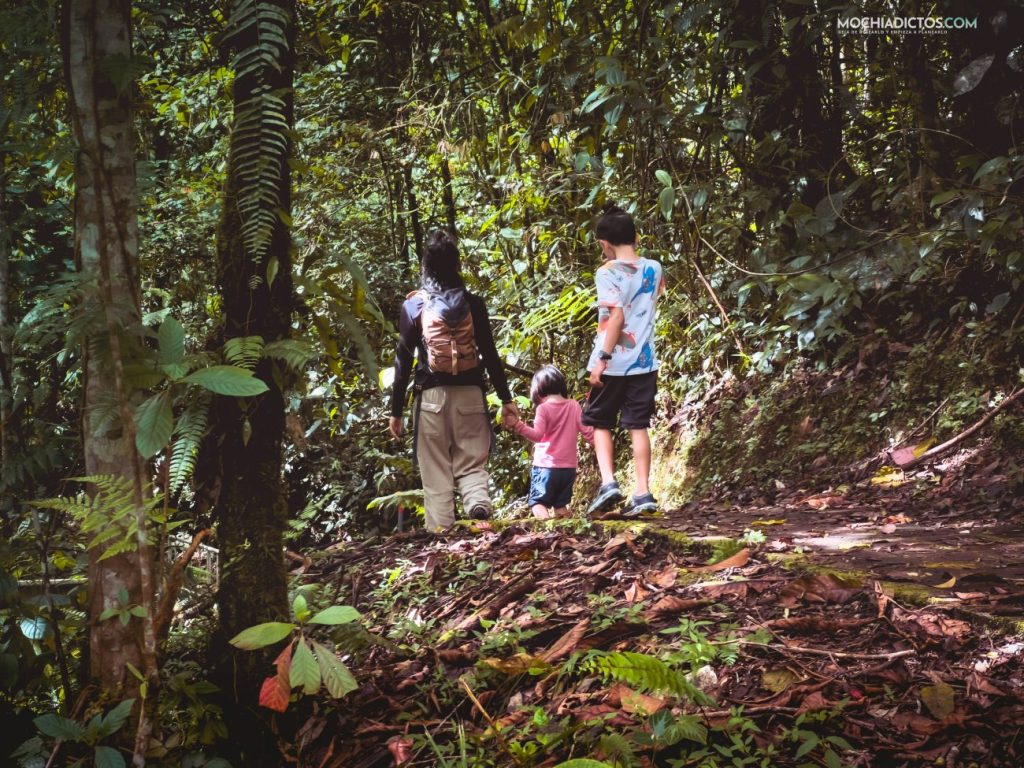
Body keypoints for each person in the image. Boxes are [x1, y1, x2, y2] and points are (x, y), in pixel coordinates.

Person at [389, 230, 520, 531]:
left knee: (435, 472)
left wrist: (396, 412)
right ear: (456, 264)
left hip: (431, 399)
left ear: (426, 265)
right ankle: (476, 502)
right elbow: (490, 354)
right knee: (472, 461)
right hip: (471, 395)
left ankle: (443, 537)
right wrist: (507, 399)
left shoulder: (414, 307)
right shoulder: (473, 305)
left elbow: (402, 362)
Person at [582, 204, 665, 515]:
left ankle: (609, 483)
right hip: (644, 362)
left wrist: (602, 359)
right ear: (636, 237)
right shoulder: (655, 268)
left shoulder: (607, 272)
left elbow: (616, 317)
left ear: (605, 244)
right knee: (638, 425)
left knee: (598, 421)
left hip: (613, 362)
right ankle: (643, 493)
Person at [505, 365, 594, 520]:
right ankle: (566, 534)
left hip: (546, 468)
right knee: (560, 506)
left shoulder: (543, 408)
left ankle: (546, 532)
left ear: (538, 390)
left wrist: (517, 425)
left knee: (538, 503)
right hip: (568, 469)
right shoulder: (573, 405)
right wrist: (603, 445)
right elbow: (588, 432)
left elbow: (537, 436)